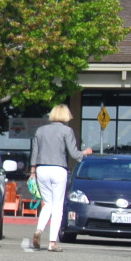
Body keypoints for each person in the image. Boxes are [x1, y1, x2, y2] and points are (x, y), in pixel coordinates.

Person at [29, 105, 92, 251]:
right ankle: (52, 243)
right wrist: (85, 152)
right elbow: (74, 154)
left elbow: (35, 152)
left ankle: (39, 230)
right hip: (58, 169)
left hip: (41, 169)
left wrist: (32, 171)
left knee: (47, 203)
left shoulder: (41, 130)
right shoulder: (67, 131)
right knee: (57, 206)